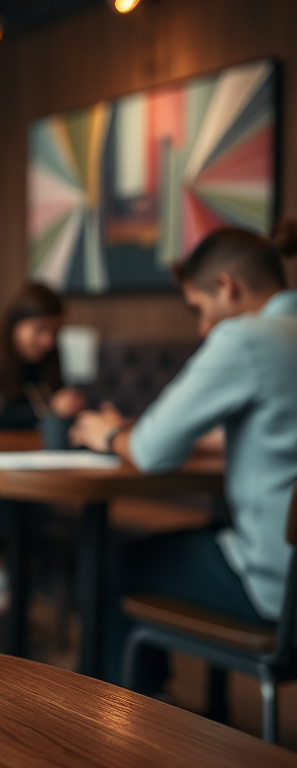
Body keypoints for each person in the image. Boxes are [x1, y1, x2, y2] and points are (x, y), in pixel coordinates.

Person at [70, 224, 297, 688]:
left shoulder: (246, 339)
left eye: (199, 308)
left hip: (274, 589)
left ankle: (120, 720)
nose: (202, 327)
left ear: (225, 287)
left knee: (107, 563)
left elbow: (152, 453)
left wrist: (111, 433)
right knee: (204, 535)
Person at [0, 282, 85, 429]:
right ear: (14, 325)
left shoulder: (49, 355)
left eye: (55, 332)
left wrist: (70, 404)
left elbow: (57, 398)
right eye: (39, 330)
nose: (48, 341)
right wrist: (50, 409)